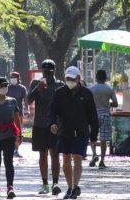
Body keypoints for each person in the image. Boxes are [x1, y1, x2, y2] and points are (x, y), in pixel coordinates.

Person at [49, 67, 99, 200]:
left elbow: (93, 115)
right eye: (68, 79)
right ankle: (70, 187)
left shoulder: (86, 93)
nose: (70, 81)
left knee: (77, 158)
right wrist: (52, 123)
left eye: (72, 79)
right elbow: (52, 111)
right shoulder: (59, 93)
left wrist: (94, 135)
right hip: (65, 131)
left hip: (81, 132)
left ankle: (75, 186)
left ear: (78, 78)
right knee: (66, 159)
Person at [27, 59, 63, 195]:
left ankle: (55, 183)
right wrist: (37, 89)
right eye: (45, 70)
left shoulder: (60, 85)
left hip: (54, 125)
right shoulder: (36, 83)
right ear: (41, 70)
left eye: (50, 70)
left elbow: (64, 105)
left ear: (54, 70)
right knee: (42, 155)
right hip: (40, 124)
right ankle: (44, 184)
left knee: (55, 154)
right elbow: (29, 99)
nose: (47, 73)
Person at [87, 70, 118, 168]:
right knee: (104, 139)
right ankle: (102, 160)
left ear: (96, 77)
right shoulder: (109, 89)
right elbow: (116, 103)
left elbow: (86, 102)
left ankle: (94, 154)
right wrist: (107, 104)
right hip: (105, 115)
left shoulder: (90, 89)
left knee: (93, 136)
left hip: (93, 116)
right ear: (106, 78)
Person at [5, 71, 28, 158]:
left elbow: (25, 100)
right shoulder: (7, 88)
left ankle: (16, 149)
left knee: (18, 132)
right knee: (8, 132)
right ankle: (8, 149)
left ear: (18, 79)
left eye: (15, 77)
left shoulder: (22, 88)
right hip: (8, 114)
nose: (13, 79)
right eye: (12, 77)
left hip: (18, 114)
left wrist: (27, 110)